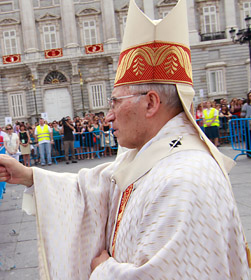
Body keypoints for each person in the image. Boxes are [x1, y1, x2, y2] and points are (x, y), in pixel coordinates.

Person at [0, 0, 250, 279]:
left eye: (115, 103)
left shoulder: (185, 180)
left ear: (151, 103)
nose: (108, 117)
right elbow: (98, 185)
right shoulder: (152, 157)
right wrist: (28, 176)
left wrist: (103, 270)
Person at [241, 91, 251, 158]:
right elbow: (242, 115)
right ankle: (249, 152)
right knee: (249, 138)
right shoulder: (246, 105)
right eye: (250, 96)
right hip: (249, 123)